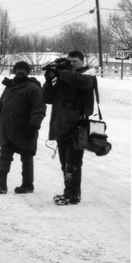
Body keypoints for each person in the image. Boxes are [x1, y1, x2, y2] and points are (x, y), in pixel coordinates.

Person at [42, 49, 96, 205]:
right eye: (69, 61)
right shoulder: (64, 77)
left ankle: (72, 195)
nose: (71, 64)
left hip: (76, 128)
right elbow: (47, 98)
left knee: (72, 164)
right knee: (65, 164)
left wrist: (60, 73)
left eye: (74, 61)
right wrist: (49, 81)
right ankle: (71, 192)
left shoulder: (87, 76)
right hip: (61, 126)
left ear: (82, 61)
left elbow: (82, 82)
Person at [0, 61, 46, 194]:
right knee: (4, 155)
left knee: (26, 157)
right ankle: (1, 184)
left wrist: (34, 125)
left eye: (23, 69)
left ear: (28, 72)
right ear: (14, 70)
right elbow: (1, 104)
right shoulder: (9, 87)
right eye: (18, 69)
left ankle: (27, 185)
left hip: (26, 128)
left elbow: (39, 108)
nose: (20, 71)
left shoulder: (33, 88)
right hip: (7, 128)